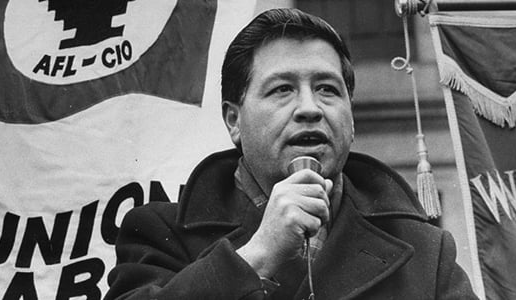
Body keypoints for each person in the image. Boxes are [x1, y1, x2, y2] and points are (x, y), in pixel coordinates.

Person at [104, 8, 477, 300]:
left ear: (351, 119)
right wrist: (258, 255)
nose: (310, 108)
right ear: (233, 120)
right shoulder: (158, 233)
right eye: (282, 89)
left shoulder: (424, 248)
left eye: (328, 89)